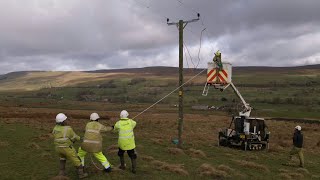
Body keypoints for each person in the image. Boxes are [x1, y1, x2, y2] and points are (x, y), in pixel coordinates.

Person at [52, 113, 88, 179]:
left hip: (58, 148)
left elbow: (59, 137)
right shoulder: (68, 129)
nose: (67, 120)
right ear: (63, 121)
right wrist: (81, 138)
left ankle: (61, 173)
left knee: (62, 159)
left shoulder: (55, 128)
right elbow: (75, 137)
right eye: (66, 119)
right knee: (77, 160)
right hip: (67, 148)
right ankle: (81, 174)